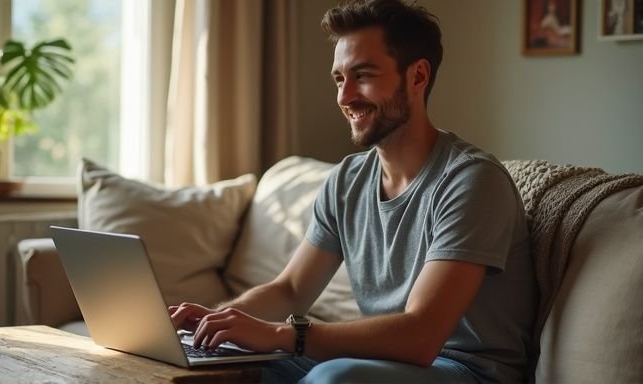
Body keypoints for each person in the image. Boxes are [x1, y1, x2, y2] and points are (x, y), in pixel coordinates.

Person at [170, 0, 537, 382]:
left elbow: (421, 335)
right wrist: (219, 322)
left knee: (334, 379)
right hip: (381, 364)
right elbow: (291, 288)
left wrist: (282, 334)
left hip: (463, 369)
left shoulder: (471, 180)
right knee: (228, 366)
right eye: (340, 79)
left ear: (417, 76)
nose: (345, 98)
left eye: (362, 75)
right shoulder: (348, 180)